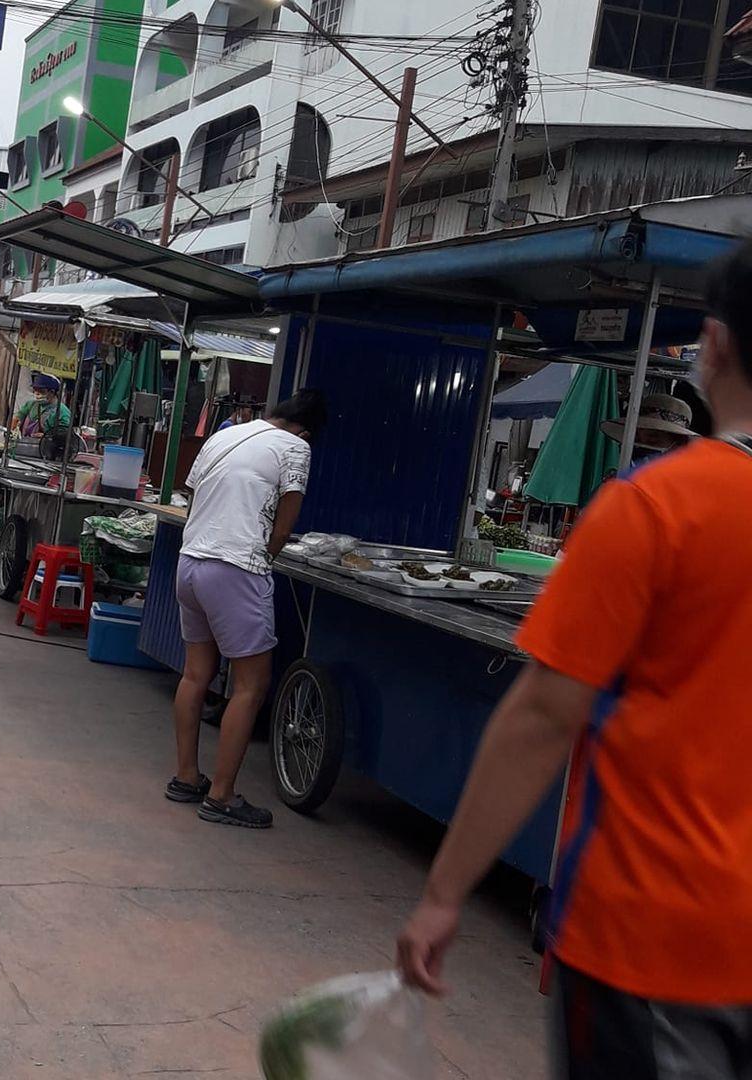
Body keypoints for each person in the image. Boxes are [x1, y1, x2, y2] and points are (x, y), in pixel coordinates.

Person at [395, 241, 752, 1077]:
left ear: (714, 346)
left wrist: (445, 894)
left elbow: (546, 715)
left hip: (649, 937)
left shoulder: (655, 508)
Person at [168, 388, 327, 828]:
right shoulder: (296, 447)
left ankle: (186, 777)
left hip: (190, 561)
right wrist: (262, 561)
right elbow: (284, 522)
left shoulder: (225, 435)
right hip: (235, 566)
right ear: (307, 431)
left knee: (196, 673)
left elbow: (195, 496)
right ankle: (221, 796)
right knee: (250, 686)